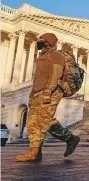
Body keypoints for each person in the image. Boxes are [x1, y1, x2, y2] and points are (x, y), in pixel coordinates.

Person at [16, 33, 80, 162]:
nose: (39, 42)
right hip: (36, 92)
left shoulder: (56, 55)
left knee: (45, 119)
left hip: (51, 91)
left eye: (42, 40)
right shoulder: (42, 56)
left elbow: (56, 74)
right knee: (32, 122)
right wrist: (33, 92)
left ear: (49, 42)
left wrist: (48, 90)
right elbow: (39, 77)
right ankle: (35, 152)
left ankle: (70, 138)